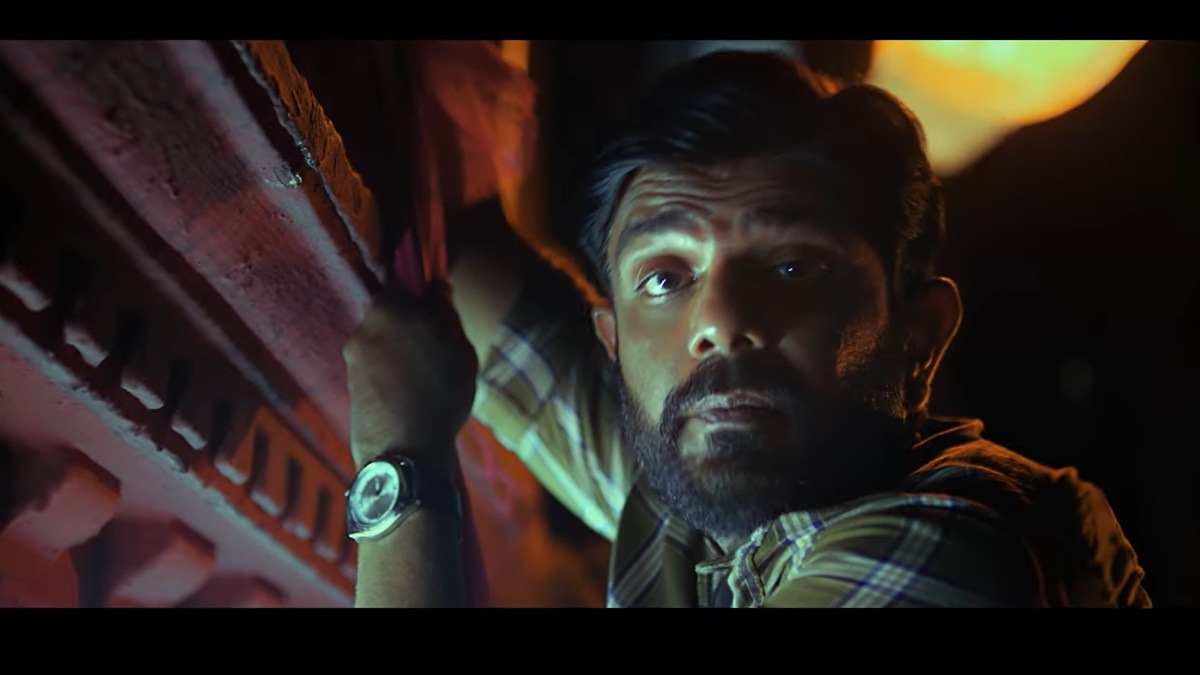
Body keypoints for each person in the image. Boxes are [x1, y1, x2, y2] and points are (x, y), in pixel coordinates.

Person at [342, 50, 1152, 607]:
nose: (721, 324)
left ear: (919, 335)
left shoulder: (956, 559)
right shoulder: (695, 482)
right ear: (613, 343)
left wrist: (399, 463)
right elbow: (460, 251)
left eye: (793, 267)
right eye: (666, 277)